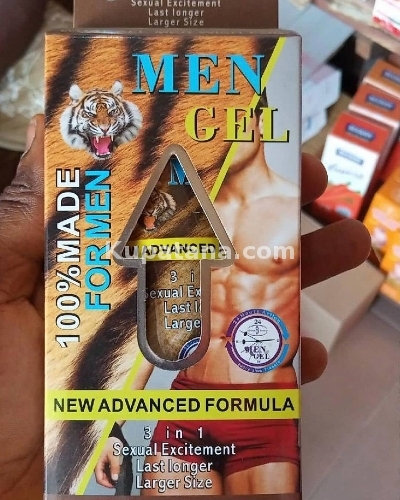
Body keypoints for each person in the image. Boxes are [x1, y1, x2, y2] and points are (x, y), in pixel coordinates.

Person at [0, 115, 371, 500]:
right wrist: (108, 425)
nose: (221, 138)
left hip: (262, 411)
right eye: (210, 128)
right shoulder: (177, 208)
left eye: (232, 123)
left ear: (259, 121)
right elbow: (148, 327)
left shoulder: (285, 205)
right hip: (186, 405)